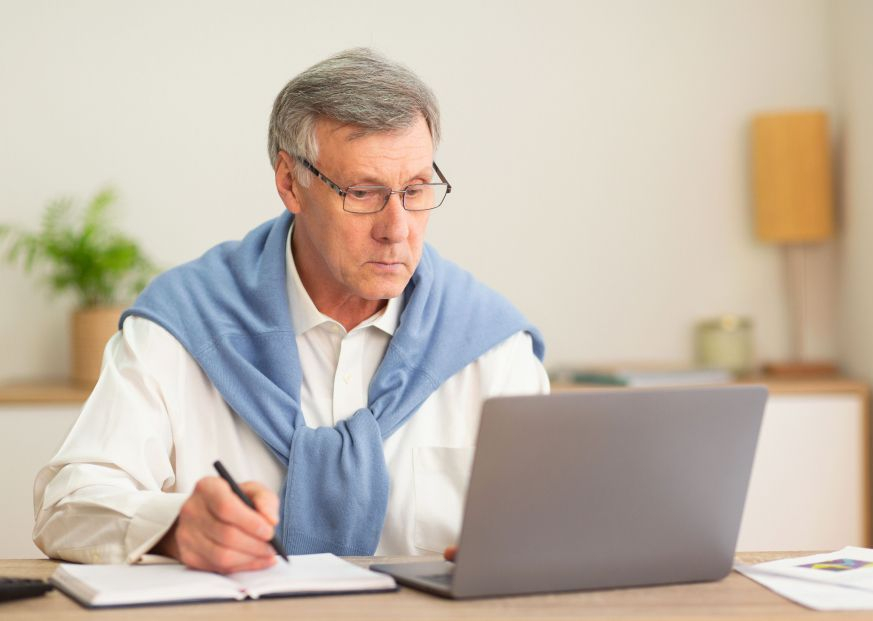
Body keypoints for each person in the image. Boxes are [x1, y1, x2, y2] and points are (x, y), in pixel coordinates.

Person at [33, 48, 547, 574]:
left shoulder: (494, 348)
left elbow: (552, 525)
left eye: (415, 190)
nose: (397, 228)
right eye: (364, 193)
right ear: (289, 183)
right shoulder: (183, 324)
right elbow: (67, 506)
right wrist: (173, 527)